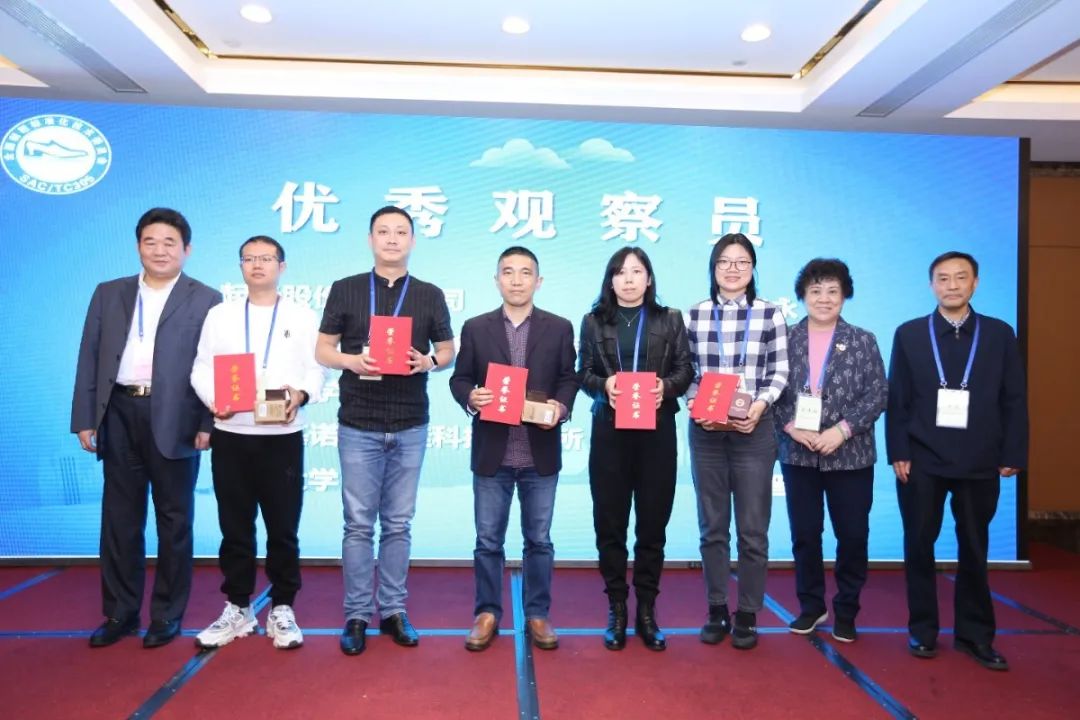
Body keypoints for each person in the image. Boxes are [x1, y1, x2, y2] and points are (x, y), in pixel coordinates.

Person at [71, 208, 222, 648]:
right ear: (138, 246)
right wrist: (85, 417)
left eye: (169, 243)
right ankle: (120, 612)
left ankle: (166, 615)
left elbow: (214, 363)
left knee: (175, 520)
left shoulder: (206, 298)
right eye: (150, 242)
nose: (159, 250)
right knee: (119, 519)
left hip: (177, 416)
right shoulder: (109, 292)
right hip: (118, 411)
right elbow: (89, 355)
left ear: (186, 249)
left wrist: (208, 421)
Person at [316, 205, 455, 656]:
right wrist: (351, 361)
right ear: (370, 239)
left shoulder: (430, 294)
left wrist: (429, 361)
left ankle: (393, 610)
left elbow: (448, 349)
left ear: (413, 241)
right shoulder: (346, 288)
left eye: (400, 232)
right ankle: (357, 615)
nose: (392, 239)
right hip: (359, 422)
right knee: (358, 524)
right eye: (383, 231)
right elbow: (323, 349)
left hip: (410, 422)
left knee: (398, 524)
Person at [887, 251, 1027, 671]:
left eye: (960, 277)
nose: (952, 285)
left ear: (975, 283)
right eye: (943, 278)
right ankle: (923, 630)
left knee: (975, 547)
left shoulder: (999, 333)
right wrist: (898, 451)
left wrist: (1013, 452)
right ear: (932, 285)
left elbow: (1014, 397)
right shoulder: (910, 333)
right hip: (921, 458)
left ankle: (975, 636)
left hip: (980, 457)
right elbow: (898, 399)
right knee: (918, 545)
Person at [189, 236, 326, 650]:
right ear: (241, 267)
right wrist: (213, 399)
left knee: (283, 528)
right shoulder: (221, 315)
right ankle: (238, 607)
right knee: (234, 527)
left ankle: (283, 606)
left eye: (266, 258)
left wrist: (301, 395)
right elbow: (201, 368)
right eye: (249, 258)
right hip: (232, 436)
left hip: (282, 438)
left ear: (282, 267)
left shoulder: (302, 315)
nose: (257, 265)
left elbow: (317, 369)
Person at [449, 246, 578, 652]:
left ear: (538, 281)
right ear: (497, 280)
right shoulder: (476, 327)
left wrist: (561, 407)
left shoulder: (559, 327)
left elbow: (569, 378)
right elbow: (459, 378)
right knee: (488, 540)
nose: (517, 280)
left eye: (525, 273)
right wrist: (471, 396)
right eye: (508, 272)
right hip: (493, 453)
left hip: (540, 452)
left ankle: (537, 613)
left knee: (539, 540)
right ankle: (487, 613)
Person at [578, 247, 693, 652]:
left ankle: (646, 610)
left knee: (652, 526)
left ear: (649, 278)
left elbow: (685, 369)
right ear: (610, 280)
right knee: (610, 525)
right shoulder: (593, 321)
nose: (628, 279)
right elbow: (583, 373)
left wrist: (667, 387)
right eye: (620, 272)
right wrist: (604, 385)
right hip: (609, 432)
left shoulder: (670, 319)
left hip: (656, 433)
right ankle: (616, 609)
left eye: (636, 271)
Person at [773, 258, 887, 643]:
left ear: (845, 295)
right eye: (815, 290)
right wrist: (792, 427)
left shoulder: (863, 340)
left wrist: (842, 430)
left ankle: (847, 609)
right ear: (802, 295)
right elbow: (771, 390)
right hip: (799, 453)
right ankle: (811, 605)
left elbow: (877, 393)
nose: (824, 298)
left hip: (850, 455)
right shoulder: (785, 339)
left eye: (833, 291)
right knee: (805, 534)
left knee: (852, 535)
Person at [687, 232, 789, 651]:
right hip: (707, 434)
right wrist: (697, 405)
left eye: (742, 262)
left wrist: (759, 407)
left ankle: (747, 612)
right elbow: (687, 372)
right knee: (712, 527)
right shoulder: (695, 315)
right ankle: (716, 609)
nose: (733, 269)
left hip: (754, 431)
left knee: (752, 529)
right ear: (713, 268)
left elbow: (780, 372)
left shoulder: (770, 314)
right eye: (724, 262)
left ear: (752, 269)